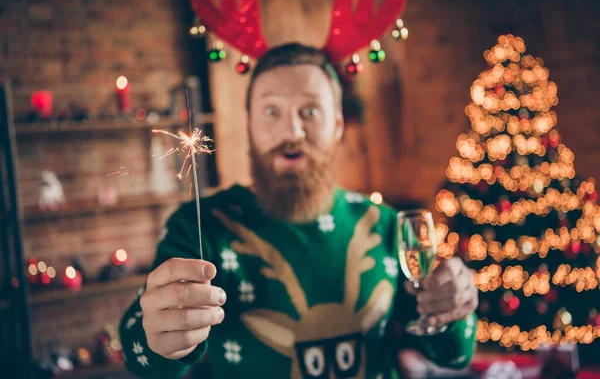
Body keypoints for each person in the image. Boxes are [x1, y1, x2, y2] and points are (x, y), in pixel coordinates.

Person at [119, 43, 479, 379]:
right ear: (250, 125)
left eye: (309, 111)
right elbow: (146, 362)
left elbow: (453, 355)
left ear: (337, 125)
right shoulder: (200, 227)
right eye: (271, 111)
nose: (291, 131)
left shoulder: (383, 225)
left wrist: (454, 306)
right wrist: (158, 338)